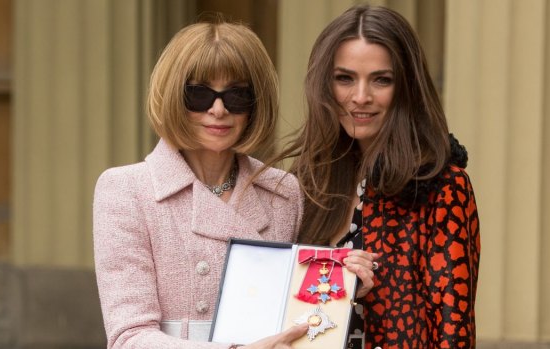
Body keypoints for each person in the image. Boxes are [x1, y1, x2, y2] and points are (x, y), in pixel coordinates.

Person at [93, 20, 376, 349]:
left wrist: (340, 288)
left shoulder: (283, 192)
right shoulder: (126, 190)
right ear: (173, 96)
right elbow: (128, 337)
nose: (218, 109)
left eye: (236, 96)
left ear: (255, 105)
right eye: (199, 94)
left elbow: (298, 317)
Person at [275, 5, 481, 349]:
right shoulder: (309, 180)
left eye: (381, 80)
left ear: (406, 88)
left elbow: (453, 333)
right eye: (345, 78)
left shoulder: (441, 187)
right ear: (325, 85)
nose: (360, 97)